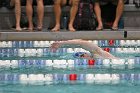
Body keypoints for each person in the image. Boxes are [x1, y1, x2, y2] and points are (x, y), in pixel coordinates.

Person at [51, 39, 117, 59]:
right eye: (81, 56)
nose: (84, 55)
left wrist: (62, 43)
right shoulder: (96, 58)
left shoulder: (97, 53)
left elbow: (82, 42)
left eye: (83, 54)